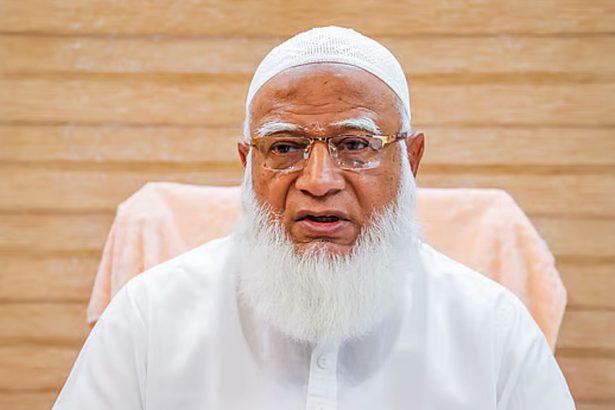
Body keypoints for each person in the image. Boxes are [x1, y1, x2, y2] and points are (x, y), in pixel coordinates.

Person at [53, 26, 575, 410]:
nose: (319, 181)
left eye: (355, 144)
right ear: (248, 165)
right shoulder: (150, 316)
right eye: (284, 147)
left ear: (411, 160)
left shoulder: (493, 329)